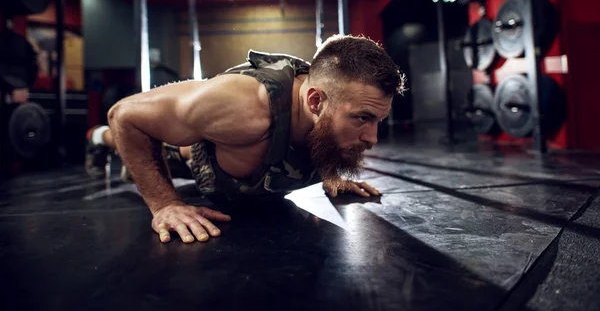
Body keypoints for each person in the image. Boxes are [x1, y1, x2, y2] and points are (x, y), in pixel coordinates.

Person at [85, 34, 406, 244]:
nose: (373, 138)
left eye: (378, 120)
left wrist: (332, 170)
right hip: (186, 155)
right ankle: (97, 138)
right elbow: (125, 114)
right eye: (363, 118)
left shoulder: (333, 102)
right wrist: (165, 205)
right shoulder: (245, 105)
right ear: (314, 102)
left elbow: (324, 132)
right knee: (119, 136)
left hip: (247, 173)